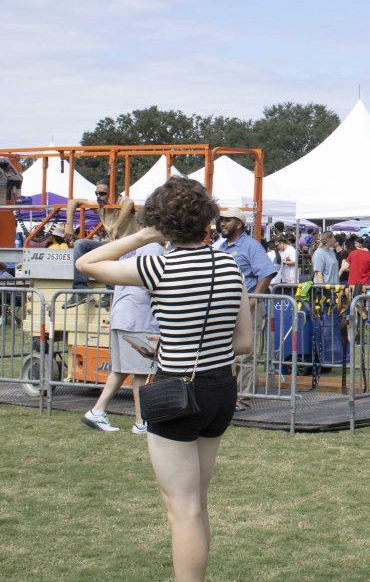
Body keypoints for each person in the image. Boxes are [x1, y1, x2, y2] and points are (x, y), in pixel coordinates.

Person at [75, 177, 252, 582]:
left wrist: (142, 234)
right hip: (220, 388)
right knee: (197, 505)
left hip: (176, 389)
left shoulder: (158, 263)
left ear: (161, 222)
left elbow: (86, 262)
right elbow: (242, 342)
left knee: (182, 509)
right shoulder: (228, 264)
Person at [80, 224, 166, 435]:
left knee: (121, 370)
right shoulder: (153, 247)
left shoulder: (132, 246)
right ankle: (140, 422)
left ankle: (97, 411)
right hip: (139, 317)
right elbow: (152, 283)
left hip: (123, 314)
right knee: (141, 372)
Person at [214, 209, 277, 411]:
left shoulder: (251, 246)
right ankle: (227, 396)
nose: (222, 223)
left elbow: (267, 273)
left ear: (239, 224)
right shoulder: (221, 246)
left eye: (227, 220)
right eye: (221, 220)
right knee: (225, 353)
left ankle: (243, 399)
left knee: (245, 354)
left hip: (246, 306)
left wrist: (252, 300)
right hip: (224, 306)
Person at [63, 184, 137, 307]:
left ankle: (110, 292)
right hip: (113, 245)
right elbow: (73, 201)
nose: (98, 197)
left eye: (102, 193)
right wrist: (69, 225)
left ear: (113, 194)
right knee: (80, 244)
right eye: (96, 193)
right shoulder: (101, 204)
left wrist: (116, 226)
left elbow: (129, 203)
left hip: (130, 246)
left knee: (111, 248)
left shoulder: (121, 201)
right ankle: (80, 291)